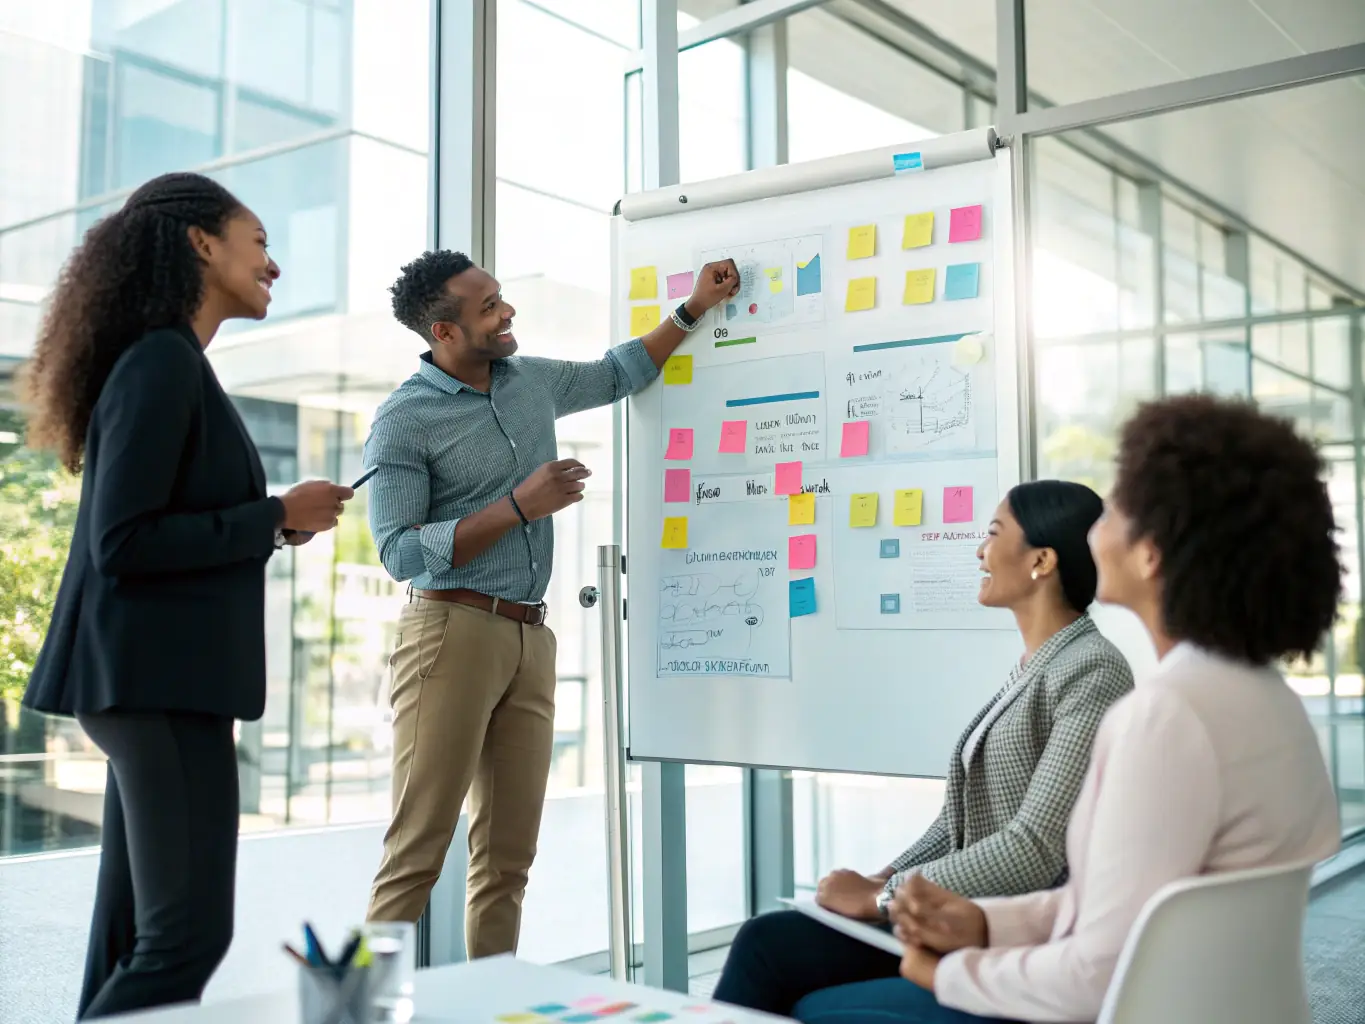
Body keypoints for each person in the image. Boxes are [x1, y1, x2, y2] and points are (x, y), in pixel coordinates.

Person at [819, 395, 1342, 1024]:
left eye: (1116, 509)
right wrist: (983, 920)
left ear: (1150, 554)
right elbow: (1112, 906)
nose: (1095, 528)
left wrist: (955, 970)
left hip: (1126, 1009)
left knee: (807, 1000)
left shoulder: (1164, 718)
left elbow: (1098, 973)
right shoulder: (1269, 701)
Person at [19, 172, 355, 1021]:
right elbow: (123, 543)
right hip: (156, 687)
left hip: (155, 682)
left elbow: (151, 531)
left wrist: (274, 526)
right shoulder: (162, 361)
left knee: (133, 937)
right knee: (185, 939)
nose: (274, 264)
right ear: (202, 244)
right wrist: (274, 513)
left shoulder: (169, 361)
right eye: (260, 241)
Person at [362, 250, 740, 956]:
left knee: (507, 861)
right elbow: (399, 555)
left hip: (529, 639)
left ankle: (494, 1003)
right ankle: (347, 1009)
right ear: (443, 332)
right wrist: (516, 507)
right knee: (415, 855)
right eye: (488, 308)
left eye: (501, 299)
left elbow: (617, 372)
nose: (507, 314)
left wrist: (692, 309)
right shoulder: (402, 422)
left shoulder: (527, 381)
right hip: (448, 634)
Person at [713, 480, 1134, 1016]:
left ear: (1042, 561)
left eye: (993, 534)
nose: (980, 551)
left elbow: (1034, 848)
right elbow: (955, 823)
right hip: (947, 915)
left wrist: (883, 900)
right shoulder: (1038, 665)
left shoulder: (1092, 671)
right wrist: (885, 877)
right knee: (766, 941)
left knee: (810, 1001)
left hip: (1007, 936)